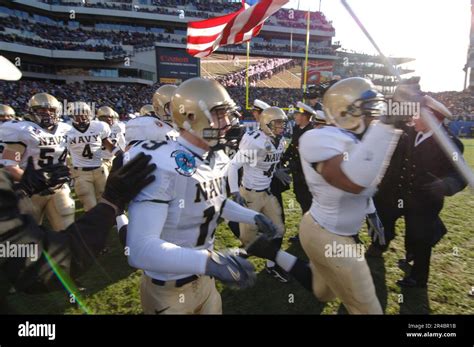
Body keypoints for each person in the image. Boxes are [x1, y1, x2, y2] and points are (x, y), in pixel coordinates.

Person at [125, 78, 279, 314]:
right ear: (190, 117)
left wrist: (252, 217)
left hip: (206, 281)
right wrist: (208, 261)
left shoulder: (215, 157)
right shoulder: (160, 161)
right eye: (219, 114)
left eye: (228, 114)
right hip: (168, 289)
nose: (227, 122)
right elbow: (140, 249)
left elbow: (213, 202)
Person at [293, 77, 410, 314]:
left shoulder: (357, 138)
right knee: (368, 308)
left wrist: (372, 212)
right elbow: (353, 183)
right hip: (329, 235)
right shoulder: (317, 137)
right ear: (344, 112)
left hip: (332, 231)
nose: (372, 117)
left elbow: (365, 181)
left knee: (322, 292)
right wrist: (388, 125)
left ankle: (275, 254)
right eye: (367, 111)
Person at [0, 152, 155, 302]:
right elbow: (38, 267)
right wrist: (110, 203)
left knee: (64, 219)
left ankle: (70, 284)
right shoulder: (17, 130)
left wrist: (24, 188)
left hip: (67, 184)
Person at [367, 86, 467, 288]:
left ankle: (418, 277)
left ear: (432, 118)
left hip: (425, 200)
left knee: (419, 237)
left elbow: (460, 175)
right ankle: (385, 245)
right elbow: (394, 118)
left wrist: (446, 185)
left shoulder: (450, 143)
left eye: (418, 114)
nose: (413, 117)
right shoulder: (412, 131)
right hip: (400, 193)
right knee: (382, 216)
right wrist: (400, 97)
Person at [228, 106, 289, 283]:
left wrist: (276, 170)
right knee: (249, 236)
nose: (281, 126)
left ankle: (271, 266)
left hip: (267, 191)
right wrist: (234, 191)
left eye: (282, 123)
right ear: (266, 123)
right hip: (250, 193)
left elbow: (269, 162)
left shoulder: (280, 141)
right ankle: (241, 254)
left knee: (278, 230)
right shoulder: (255, 141)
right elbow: (233, 166)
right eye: (277, 123)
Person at [0, 93, 75, 231]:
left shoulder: (65, 129)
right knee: (27, 237)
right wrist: (34, 178)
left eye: (51, 110)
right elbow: (9, 165)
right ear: (31, 111)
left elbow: (68, 156)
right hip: (30, 190)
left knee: (67, 232)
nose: (47, 113)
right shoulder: (23, 130)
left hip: (58, 187)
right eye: (41, 110)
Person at [66, 101, 120, 212]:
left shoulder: (99, 126)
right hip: (81, 173)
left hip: (100, 169)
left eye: (84, 113)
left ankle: (105, 224)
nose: (82, 117)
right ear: (72, 115)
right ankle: (94, 227)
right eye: (78, 114)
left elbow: (108, 143)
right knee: (90, 205)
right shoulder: (66, 131)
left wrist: (120, 154)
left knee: (105, 200)